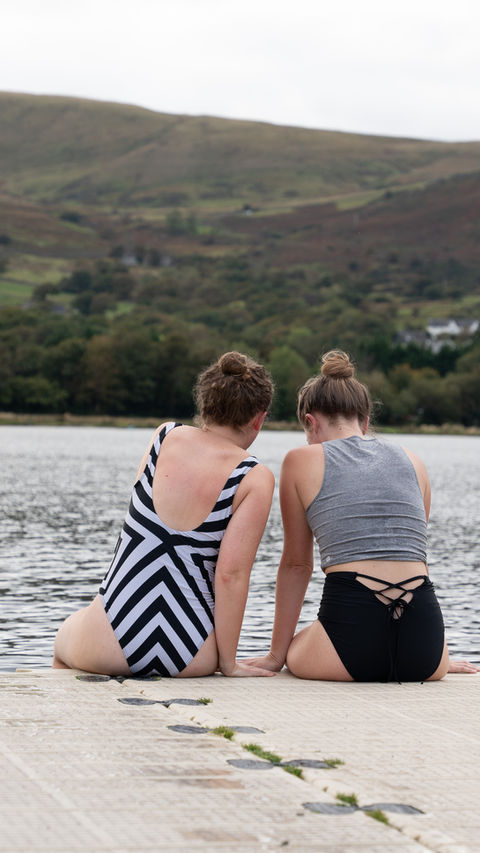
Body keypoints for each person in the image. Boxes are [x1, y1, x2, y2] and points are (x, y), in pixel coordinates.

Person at [246, 350, 478, 682]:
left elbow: (297, 565)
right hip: (426, 646)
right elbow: (411, 552)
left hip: (352, 638)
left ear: (310, 422)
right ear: (365, 421)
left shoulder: (301, 460)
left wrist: (275, 656)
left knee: (296, 648)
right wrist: (436, 652)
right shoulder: (414, 460)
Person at [53, 351, 276, 679]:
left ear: (204, 405)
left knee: (63, 644)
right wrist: (228, 664)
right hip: (187, 652)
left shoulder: (164, 436)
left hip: (108, 639)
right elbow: (231, 575)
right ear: (259, 419)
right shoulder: (254, 476)